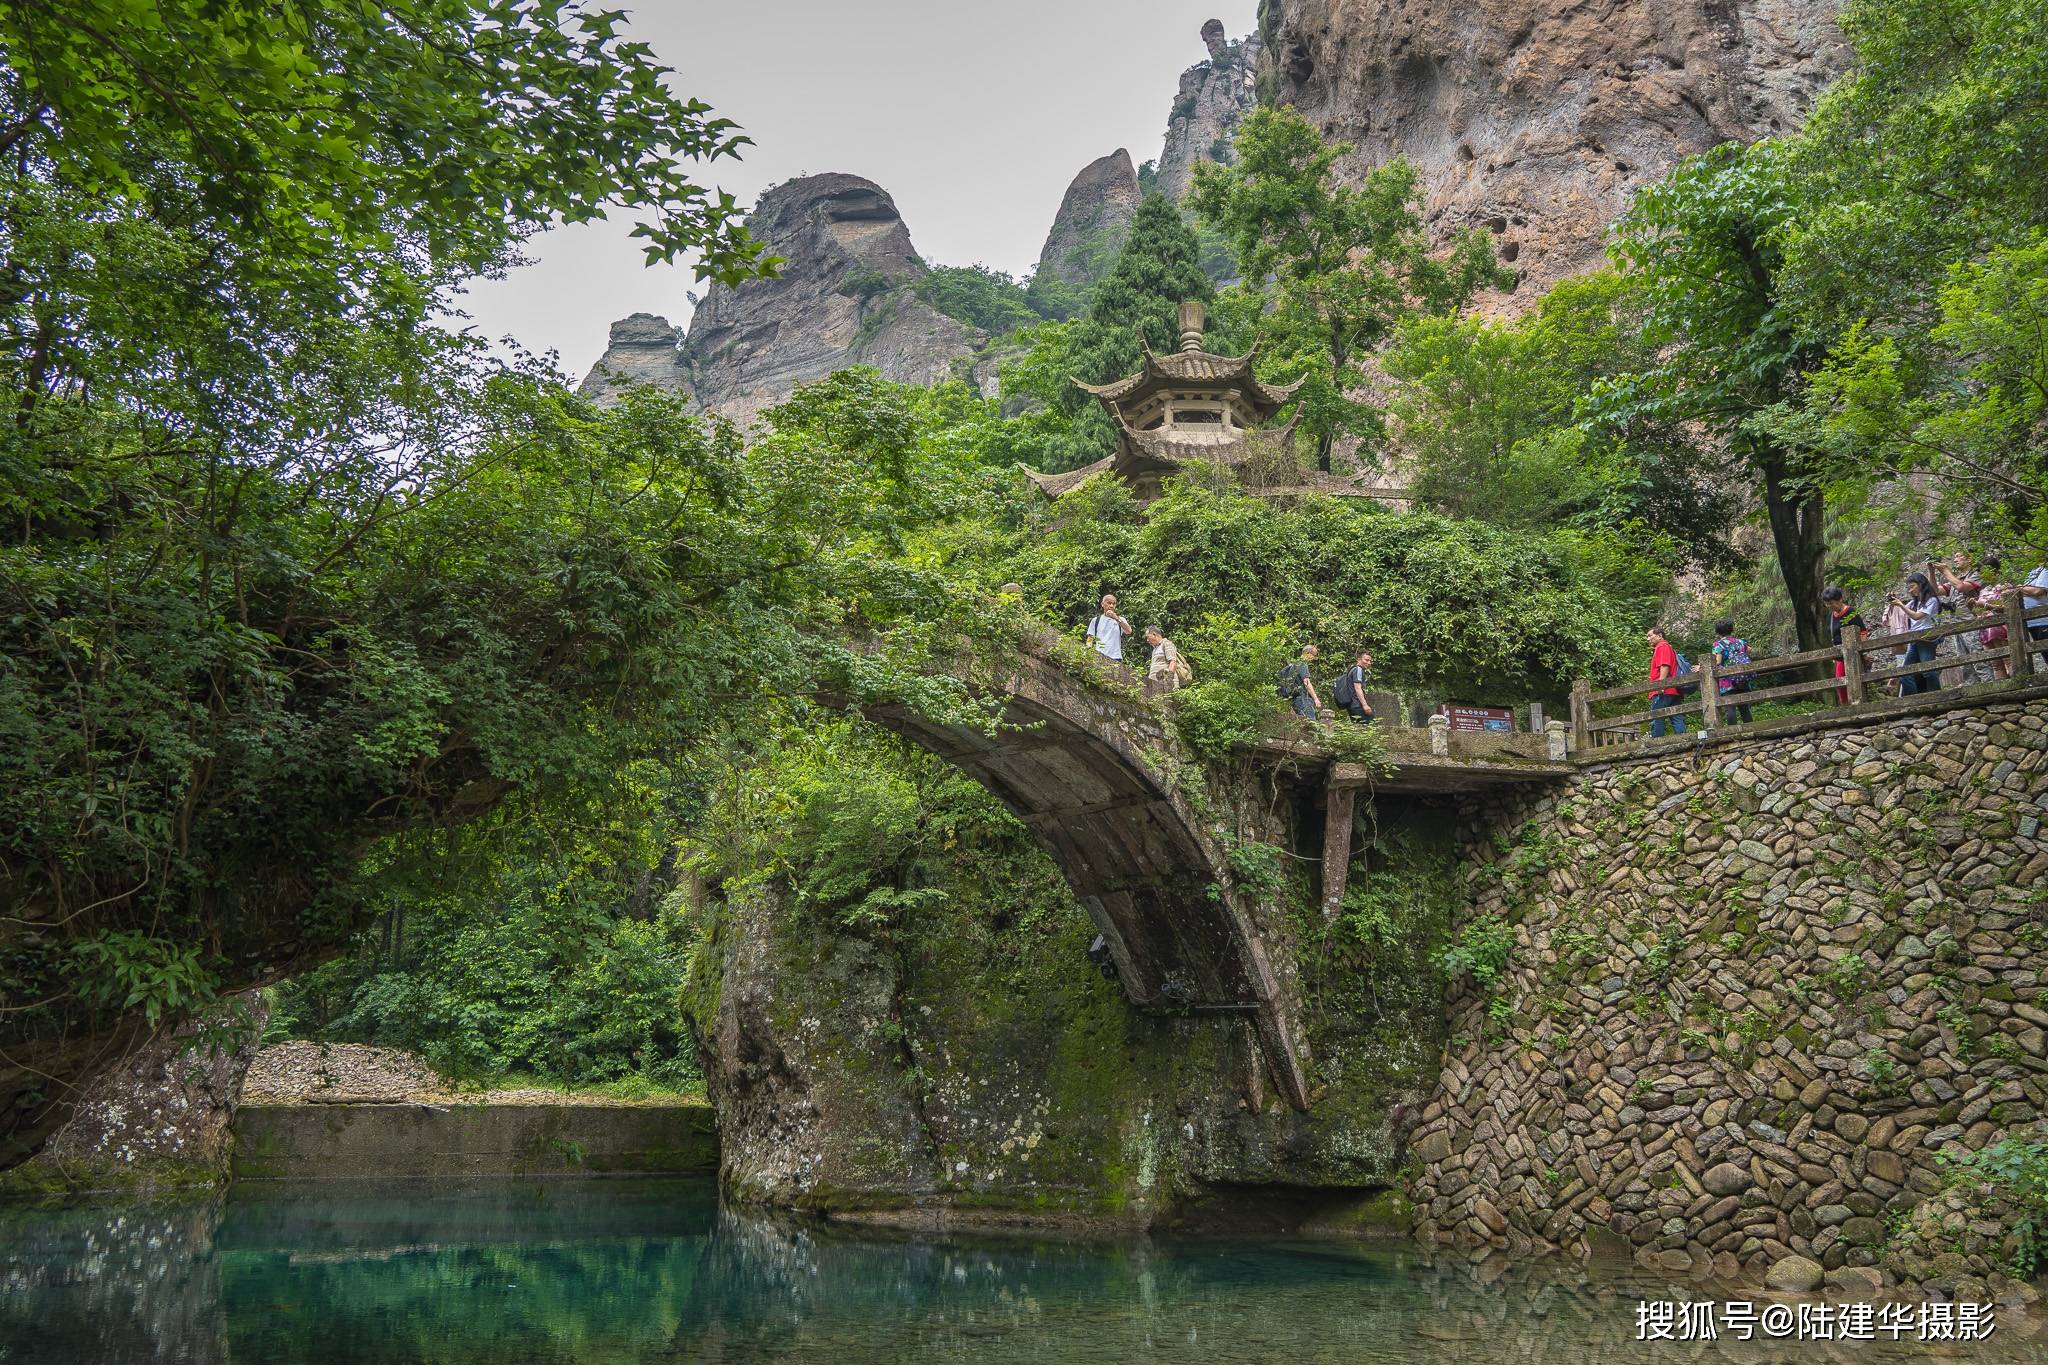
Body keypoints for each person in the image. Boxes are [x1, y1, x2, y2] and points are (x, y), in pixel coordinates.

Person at [1892, 572, 1943, 696]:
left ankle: (1937, 697)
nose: (1910, 590)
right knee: (1906, 673)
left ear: (1921, 584)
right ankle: (1914, 700)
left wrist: (1900, 604)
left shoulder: (1931, 600)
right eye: (1908, 587)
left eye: (1912, 586)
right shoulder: (1915, 602)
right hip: (1915, 639)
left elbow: (1917, 616)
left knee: (1927, 670)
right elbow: (1904, 610)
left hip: (1927, 638)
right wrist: (1894, 600)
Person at [1823, 586, 1869, 703]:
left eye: (1832, 603)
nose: (1830, 606)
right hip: (1839, 654)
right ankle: (1846, 706)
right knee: (1840, 682)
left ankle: (1857, 704)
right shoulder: (1832, 616)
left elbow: (1863, 632)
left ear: (1840, 599)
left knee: (1853, 680)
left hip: (1853, 652)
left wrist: (1862, 651)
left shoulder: (1851, 612)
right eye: (1827, 604)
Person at [1710, 621, 1756, 725]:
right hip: (1742, 677)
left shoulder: (1718, 645)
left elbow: (1717, 661)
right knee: (1744, 707)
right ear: (1731, 629)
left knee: (1730, 707)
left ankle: (1733, 733)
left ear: (1718, 632)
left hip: (1727, 680)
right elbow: (1749, 650)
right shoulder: (1740, 642)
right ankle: (1750, 730)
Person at [1976, 557, 2013, 680]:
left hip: (2001, 628)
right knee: (1996, 665)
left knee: (2009, 660)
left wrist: (1986, 605)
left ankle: (2019, 686)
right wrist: (1973, 607)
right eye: (1982, 573)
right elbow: (1980, 611)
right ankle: (2006, 696)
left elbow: (2008, 607)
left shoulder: (2004, 587)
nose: (1984, 576)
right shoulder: (1983, 590)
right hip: (1986, 629)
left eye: (1986, 572)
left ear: (1996, 572)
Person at [1645, 626, 1686, 738]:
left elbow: (1664, 665)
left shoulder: (1662, 646)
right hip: (1674, 690)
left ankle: (1657, 744)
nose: (1648, 639)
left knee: (1657, 717)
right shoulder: (1668, 647)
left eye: (1650, 636)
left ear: (1659, 636)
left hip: (1664, 690)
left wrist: (1660, 686)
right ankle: (1683, 740)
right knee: (1676, 717)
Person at [1279, 643, 1323, 721]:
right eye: (1314, 655)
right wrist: (1316, 699)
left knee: (1303, 723)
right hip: (1303, 699)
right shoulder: (1302, 663)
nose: (1314, 658)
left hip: (1295, 699)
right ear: (1307, 653)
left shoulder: (1294, 664)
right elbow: (1307, 682)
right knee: (1311, 722)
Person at [1085, 594, 1132, 665]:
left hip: (1116, 657)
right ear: (1102, 604)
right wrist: (1088, 653)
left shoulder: (1120, 619)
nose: (1111, 606)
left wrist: (1116, 618)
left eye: (1114, 604)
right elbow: (1090, 639)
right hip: (1099, 656)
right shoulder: (1096, 620)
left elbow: (1129, 631)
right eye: (1109, 603)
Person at [1332, 651, 1375, 724]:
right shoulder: (1358, 669)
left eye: (1370, 661)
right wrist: (1365, 705)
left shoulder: (1352, 669)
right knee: (1369, 727)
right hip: (1357, 705)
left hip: (1352, 706)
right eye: (1366, 660)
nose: (1369, 663)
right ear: (1359, 659)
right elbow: (1358, 688)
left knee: (1359, 729)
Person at [1143, 626, 1190, 691]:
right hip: (1156, 686)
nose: (1147, 640)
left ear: (1154, 634)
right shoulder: (1155, 649)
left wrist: (1169, 680)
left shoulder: (1166, 644)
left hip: (1166, 685)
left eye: (1148, 637)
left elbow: (1173, 662)